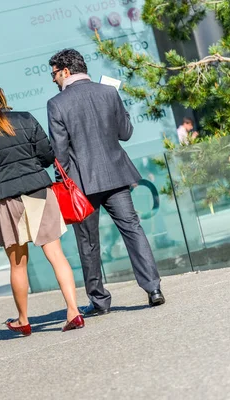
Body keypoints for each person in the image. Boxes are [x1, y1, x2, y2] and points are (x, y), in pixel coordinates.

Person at [47, 49, 165, 316]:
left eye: (54, 73)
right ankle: (153, 289)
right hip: (115, 175)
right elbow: (125, 133)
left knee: (88, 242)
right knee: (133, 230)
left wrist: (63, 185)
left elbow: (60, 153)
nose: (53, 79)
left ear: (66, 71)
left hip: (82, 184)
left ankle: (99, 301)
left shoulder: (57, 104)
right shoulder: (109, 92)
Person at [0, 78, 84, 336]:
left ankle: (23, 320)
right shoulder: (25, 118)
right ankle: (73, 311)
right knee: (56, 254)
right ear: (1, 93)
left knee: (18, 264)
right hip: (37, 191)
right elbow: (47, 155)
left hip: (7, 200)